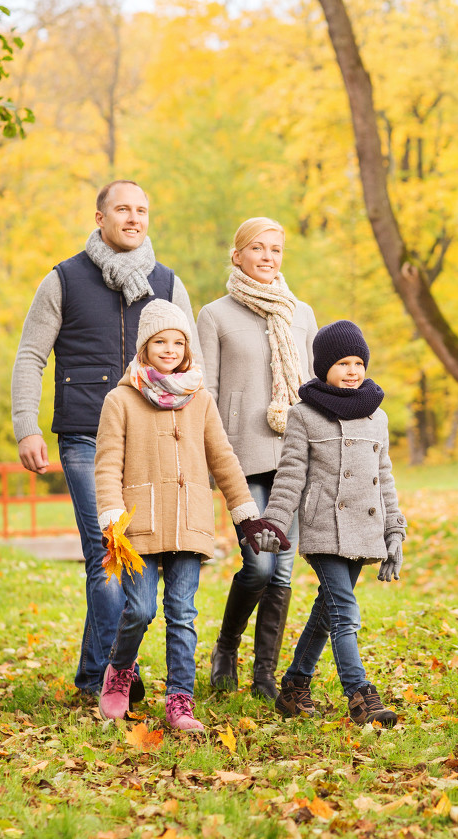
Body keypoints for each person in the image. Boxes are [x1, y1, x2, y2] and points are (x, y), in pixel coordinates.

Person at [11, 180, 201, 703]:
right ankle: (99, 679)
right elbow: (31, 355)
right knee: (109, 556)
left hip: (153, 443)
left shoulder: (168, 284)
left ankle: (111, 667)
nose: (134, 217)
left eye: (142, 209)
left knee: (140, 559)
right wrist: (26, 424)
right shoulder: (64, 280)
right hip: (86, 438)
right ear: (100, 218)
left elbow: (194, 368)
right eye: (123, 209)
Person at [92, 300, 286, 730]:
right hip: (138, 525)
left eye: (178, 341)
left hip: (189, 522)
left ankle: (180, 699)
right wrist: (111, 514)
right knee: (140, 610)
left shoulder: (200, 399)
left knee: (182, 611)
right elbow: (106, 463)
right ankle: (119, 671)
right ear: (144, 347)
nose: (169, 348)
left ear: (187, 348)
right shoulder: (120, 399)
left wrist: (246, 515)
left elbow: (224, 458)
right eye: (160, 341)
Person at [253, 320, 407, 727]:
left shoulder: (378, 417)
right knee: (344, 611)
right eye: (342, 363)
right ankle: (360, 694)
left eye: (358, 362)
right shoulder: (304, 415)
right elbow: (289, 477)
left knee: (328, 609)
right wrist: (275, 523)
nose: (352, 370)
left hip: (366, 529)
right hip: (325, 528)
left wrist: (395, 530)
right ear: (324, 368)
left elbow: (385, 478)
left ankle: (294, 686)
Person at [197, 217, 318, 700]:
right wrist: (211, 456)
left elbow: (314, 386)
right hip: (241, 459)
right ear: (238, 255)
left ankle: (264, 675)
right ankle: (226, 645)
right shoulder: (215, 315)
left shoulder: (302, 314)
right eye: (257, 249)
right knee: (261, 567)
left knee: (284, 571)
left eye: (276, 250)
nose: (268, 257)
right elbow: (205, 393)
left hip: (293, 457)